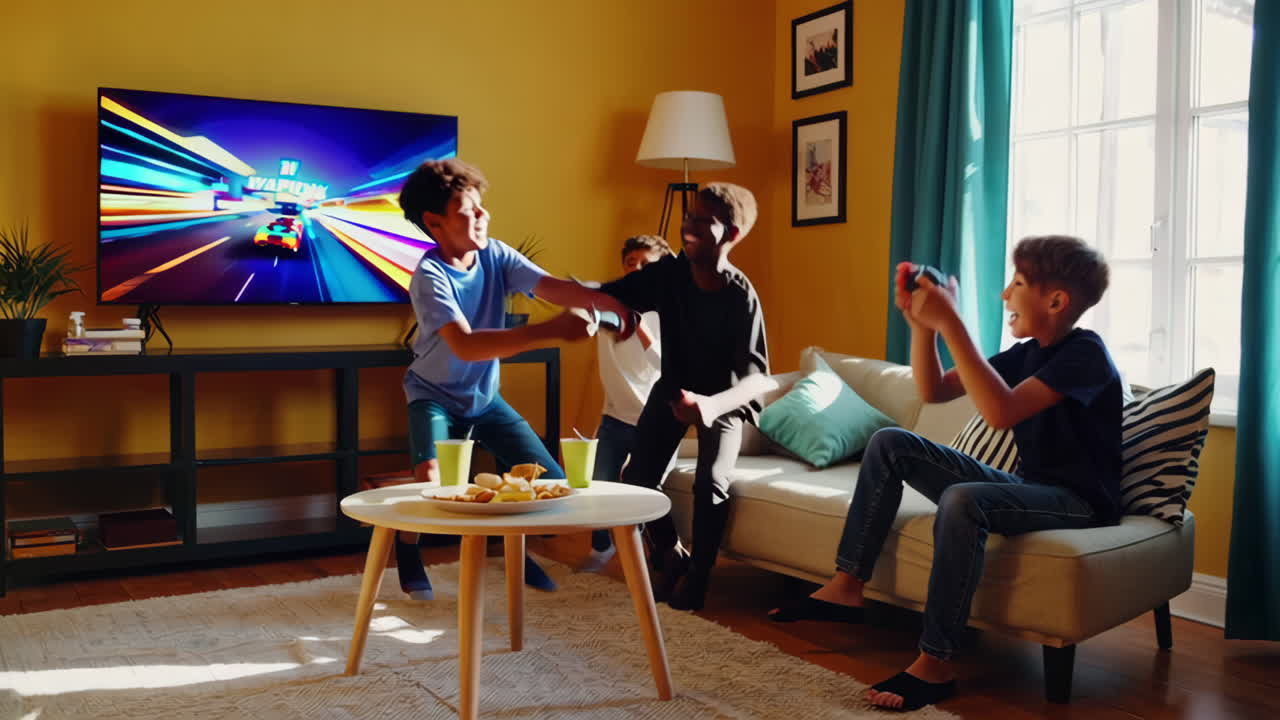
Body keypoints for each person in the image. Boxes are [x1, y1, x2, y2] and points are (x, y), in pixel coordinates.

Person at [768, 235, 1122, 712]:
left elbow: (1000, 412)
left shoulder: (1086, 354)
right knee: (890, 443)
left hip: (1081, 502)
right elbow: (934, 391)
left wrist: (952, 320)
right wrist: (923, 327)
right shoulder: (1027, 354)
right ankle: (847, 586)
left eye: (1017, 284)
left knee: (964, 499)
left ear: (1056, 301)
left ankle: (936, 661)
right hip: (1032, 485)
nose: (1004, 294)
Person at [394, 158, 635, 601]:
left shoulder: (496, 255)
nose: (482, 215)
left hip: (484, 398)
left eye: (481, 206)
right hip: (434, 396)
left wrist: (616, 300)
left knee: (548, 481)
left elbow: (554, 288)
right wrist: (551, 330)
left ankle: (513, 553)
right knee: (432, 480)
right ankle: (408, 551)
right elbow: (465, 346)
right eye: (468, 210)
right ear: (434, 222)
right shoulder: (430, 277)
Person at [601, 183, 771, 612]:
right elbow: (608, 292)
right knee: (636, 477)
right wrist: (547, 287)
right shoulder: (670, 274)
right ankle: (671, 551)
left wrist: (710, 406)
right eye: (689, 216)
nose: (689, 226)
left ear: (731, 234)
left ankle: (699, 577)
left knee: (711, 482)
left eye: (703, 220)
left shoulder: (740, 295)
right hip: (673, 388)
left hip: (723, 400)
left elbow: (757, 379)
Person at [578, 234, 673, 573]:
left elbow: (668, 368)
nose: (636, 269)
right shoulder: (611, 305)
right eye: (631, 263)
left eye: (646, 264)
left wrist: (641, 329)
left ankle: (644, 555)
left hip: (656, 420)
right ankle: (601, 547)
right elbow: (583, 310)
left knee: (640, 489)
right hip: (614, 417)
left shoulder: (668, 313)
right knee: (598, 483)